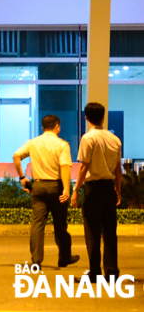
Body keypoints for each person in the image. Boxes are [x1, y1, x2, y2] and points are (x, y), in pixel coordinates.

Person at [13, 114, 79, 268]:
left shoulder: (33, 143)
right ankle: (64, 257)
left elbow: (16, 156)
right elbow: (64, 167)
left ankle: (36, 260)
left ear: (43, 127)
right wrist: (66, 189)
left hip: (38, 186)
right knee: (60, 225)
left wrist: (22, 177)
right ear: (57, 126)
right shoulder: (62, 145)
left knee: (37, 224)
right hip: (56, 187)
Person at [72, 102, 122, 282]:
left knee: (92, 232)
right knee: (110, 232)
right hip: (109, 187)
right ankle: (112, 271)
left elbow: (84, 167)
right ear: (103, 117)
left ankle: (95, 273)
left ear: (86, 118)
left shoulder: (88, 138)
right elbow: (118, 170)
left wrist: (76, 190)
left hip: (93, 189)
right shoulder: (114, 139)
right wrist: (118, 190)